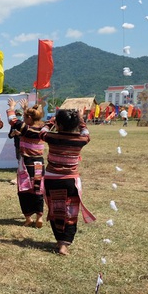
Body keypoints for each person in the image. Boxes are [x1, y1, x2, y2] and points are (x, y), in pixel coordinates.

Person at [39, 109, 96, 255]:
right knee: (71, 212)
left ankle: (59, 241)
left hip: (52, 179)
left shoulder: (51, 136)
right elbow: (86, 133)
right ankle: (65, 245)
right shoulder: (81, 140)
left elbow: (42, 131)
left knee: (55, 209)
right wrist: (81, 120)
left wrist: (51, 121)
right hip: (70, 180)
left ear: (58, 125)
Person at [7, 98, 46, 228]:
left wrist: (12, 107)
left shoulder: (25, 129)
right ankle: (39, 217)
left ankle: (28, 217)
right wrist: (25, 110)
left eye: (24, 116)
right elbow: (28, 121)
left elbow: (12, 120)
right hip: (39, 164)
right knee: (38, 190)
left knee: (24, 191)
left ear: (29, 118)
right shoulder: (43, 129)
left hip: (26, 164)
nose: (23, 118)